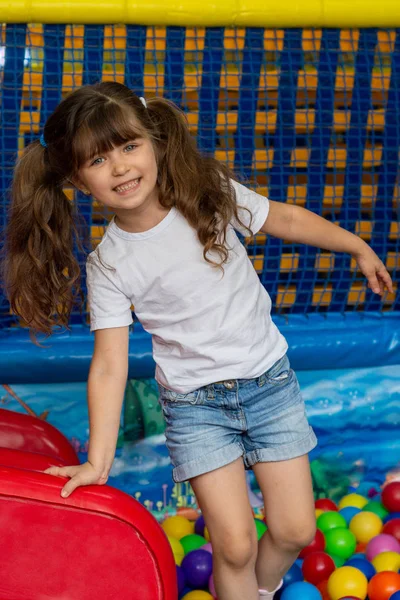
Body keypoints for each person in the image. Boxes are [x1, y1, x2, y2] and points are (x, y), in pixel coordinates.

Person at [3, 81, 393, 600]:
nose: (120, 167)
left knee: (297, 530)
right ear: (76, 178)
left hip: (269, 385)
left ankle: (260, 590)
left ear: (154, 142)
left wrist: (356, 245)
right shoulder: (111, 263)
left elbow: (285, 217)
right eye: (98, 160)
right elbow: (110, 364)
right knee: (233, 546)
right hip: (196, 406)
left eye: (129, 146)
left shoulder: (207, 193)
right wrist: (98, 460)